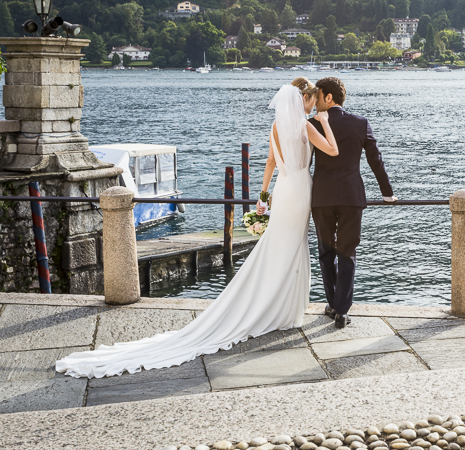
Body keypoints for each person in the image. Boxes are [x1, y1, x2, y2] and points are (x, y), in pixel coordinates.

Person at [55, 78, 338, 379]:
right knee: (293, 247)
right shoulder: (308, 126)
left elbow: (269, 163)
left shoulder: (276, 126)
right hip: (300, 190)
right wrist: (324, 120)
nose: (312, 105)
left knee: (280, 247)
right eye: (311, 100)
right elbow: (332, 150)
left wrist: (263, 198)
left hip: (282, 190)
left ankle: (279, 306)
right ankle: (284, 309)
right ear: (304, 100)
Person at [308, 77, 396, 329]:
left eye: (319, 96)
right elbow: (375, 160)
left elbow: (305, 162)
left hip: (322, 198)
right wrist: (387, 193)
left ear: (328, 98)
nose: (314, 102)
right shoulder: (360, 123)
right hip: (351, 197)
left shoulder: (313, 124)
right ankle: (343, 311)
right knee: (347, 253)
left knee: (326, 253)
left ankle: (333, 304)